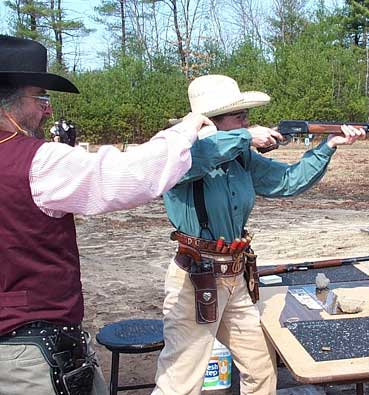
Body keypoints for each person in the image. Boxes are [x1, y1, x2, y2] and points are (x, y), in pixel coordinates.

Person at [0, 35, 221, 395]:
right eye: (40, 96)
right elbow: (121, 177)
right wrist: (184, 131)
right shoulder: (37, 161)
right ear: (9, 100)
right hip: (28, 357)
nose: (47, 109)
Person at [152, 74, 366, 394]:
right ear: (211, 122)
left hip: (235, 275)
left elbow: (288, 182)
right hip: (196, 279)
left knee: (261, 370)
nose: (246, 121)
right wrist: (247, 136)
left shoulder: (241, 156)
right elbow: (203, 156)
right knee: (180, 381)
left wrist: (329, 145)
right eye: (239, 116)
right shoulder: (181, 151)